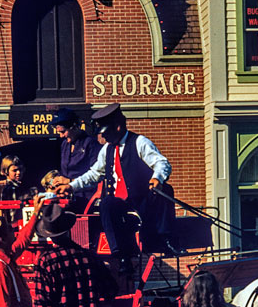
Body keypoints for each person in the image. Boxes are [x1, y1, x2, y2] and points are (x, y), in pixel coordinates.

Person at [52, 103, 178, 272]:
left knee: (165, 190)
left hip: (142, 199)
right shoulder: (107, 149)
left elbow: (162, 163)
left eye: (105, 133)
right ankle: (122, 255)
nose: (103, 138)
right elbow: (94, 174)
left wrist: (157, 178)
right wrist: (72, 186)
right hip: (122, 203)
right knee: (107, 203)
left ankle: (165, 239)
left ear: (117, 127)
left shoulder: (139, 142)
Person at [50, 109, 100, 208]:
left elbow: (96, 176)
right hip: (67, 197)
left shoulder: (90, 143)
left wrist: (70, 181)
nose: (61, 136)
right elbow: (64, 171)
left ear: (74, 126)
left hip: (86, 199)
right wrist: (57, 181)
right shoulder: (64, 144)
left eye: (63, 132)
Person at [0, 155, 27, 223]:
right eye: (14, 170)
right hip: (13, 222)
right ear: (5, 171)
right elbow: (4, 209)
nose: (18, 173)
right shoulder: (9, 187)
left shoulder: (18, 186)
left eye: (20, 169)